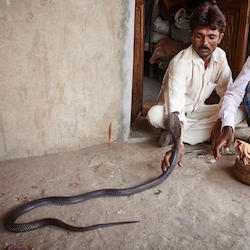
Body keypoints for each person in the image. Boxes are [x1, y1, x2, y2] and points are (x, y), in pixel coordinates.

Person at [146, 2, 245, 171]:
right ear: (191, 34)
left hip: (197, 112)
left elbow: (228, 96)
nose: (204, 43)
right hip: (172, 114)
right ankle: (179, 135)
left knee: (239, 112)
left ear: (220, 37)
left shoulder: (220, 58)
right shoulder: (180, 62)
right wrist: (178, 146)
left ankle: (179, 135)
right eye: (199, 36)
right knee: (154, 114)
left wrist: (221, 121)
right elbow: (175, 111)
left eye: (211, 37)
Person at [211, 56, 250, 160]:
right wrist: (226, 124)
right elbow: (234, 94)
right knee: (219, 126)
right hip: (246, 112)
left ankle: (179, 132)